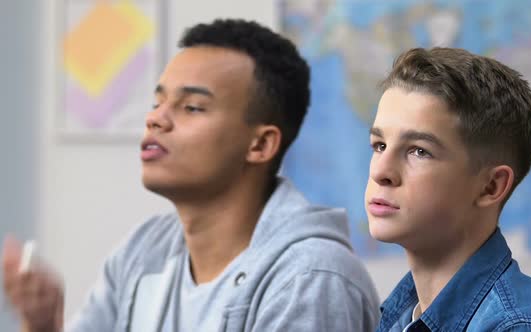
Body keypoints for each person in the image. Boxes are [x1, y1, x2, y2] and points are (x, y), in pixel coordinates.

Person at [3, 19, 380, 332]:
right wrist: (42, 324)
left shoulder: (311, 279)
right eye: (157, 102)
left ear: (260, 145)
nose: (155, 118)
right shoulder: (144, 251)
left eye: (192, 107)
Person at [366, 47, 531, 331]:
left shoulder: (520, 327)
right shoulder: (400, 316)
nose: (380, 171)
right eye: (380, 145)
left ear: (490, 186)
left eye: (419, 151)